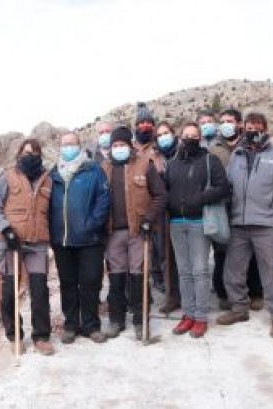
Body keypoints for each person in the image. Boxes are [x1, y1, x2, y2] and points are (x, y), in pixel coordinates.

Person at [217, 112, 273, 338]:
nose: (253, 130)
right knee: (232, 270)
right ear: (243, 128)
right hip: (239, 224)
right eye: (249, 127)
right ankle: (239, 309)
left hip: (268, 223)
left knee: (271, 271)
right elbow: (228, 185)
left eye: (257, 127)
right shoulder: (237, 155)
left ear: (265, 129)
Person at [0, 138, 55, 355]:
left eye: (35, 153)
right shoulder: (7, 177)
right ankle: (14, 336)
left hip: (37, 244)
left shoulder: (48, 180)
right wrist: (6, 230)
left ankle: (41, 336)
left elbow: (51, 213)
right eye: (26, 152)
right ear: (19, 154)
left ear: (40, 156)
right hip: (9, 244)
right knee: (9, 292)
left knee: (39, 290)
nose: (30, 156)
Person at [101, 126, 167, 339]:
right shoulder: (104, 169)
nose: (119, 148)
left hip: (138, 231)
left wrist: (148, 219)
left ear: (130, 145)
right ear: (111, 148)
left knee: (138, 276)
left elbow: (160, 196)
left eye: (122, 144)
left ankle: (141, 321)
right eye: (115, 145)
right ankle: (116, 320)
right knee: (116, 278)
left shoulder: (144, 165)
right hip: (113, 233)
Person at [165, 121, 230, 338]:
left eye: (194, 136)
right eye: (186, 135)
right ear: (180, 138)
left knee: (200, 271)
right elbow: (165, 191)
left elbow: (223, 187)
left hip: (199, 222)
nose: (190, 139)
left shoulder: (210, 160)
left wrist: (200, 199)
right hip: (176, 223)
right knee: (184, 272)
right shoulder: (173, 164)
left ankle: (201, 317)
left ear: (200, 138)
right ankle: (188, 314)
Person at [49, 132, 110, 344]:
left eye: (72, 144)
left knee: (90, 282)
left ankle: (92, 325)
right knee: (68, 283)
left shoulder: (93, 169)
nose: (68, 148)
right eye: (64, 144)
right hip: (62, 241)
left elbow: (103, 201)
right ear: (59, 148)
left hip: (90, 239)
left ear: (80, 145)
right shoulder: (53, 174)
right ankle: (71, 324)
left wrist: (91, 224)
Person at [212, 109, 264, 311]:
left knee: (252, 253)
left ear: (239, 124)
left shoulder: (251, 143)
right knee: (221, 253)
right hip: (222, 206)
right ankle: (223, 294)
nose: (226, 124)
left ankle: (256, 293)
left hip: (247, 206)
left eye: (230, 121)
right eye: (222, 121)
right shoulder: (213, 147)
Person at [132, 102, 166, 293]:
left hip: (159, 206)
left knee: (161, 247)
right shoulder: (131, 149)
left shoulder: (160, 147)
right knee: (142, 251)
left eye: (148, 122)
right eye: (141, 122)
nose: (144, 126)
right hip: (138, 207)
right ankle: (144, 288)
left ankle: (162, 281)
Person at [153, 121, 182, 313]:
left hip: (182, 211)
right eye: (160, 135)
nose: (163, 137)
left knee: (185, 257)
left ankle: (190, 296)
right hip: (162, 214)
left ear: (173, 133)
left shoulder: (183, 152)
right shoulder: (154, 158)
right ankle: (172, 297)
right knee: (165, 256)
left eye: (166, 133)